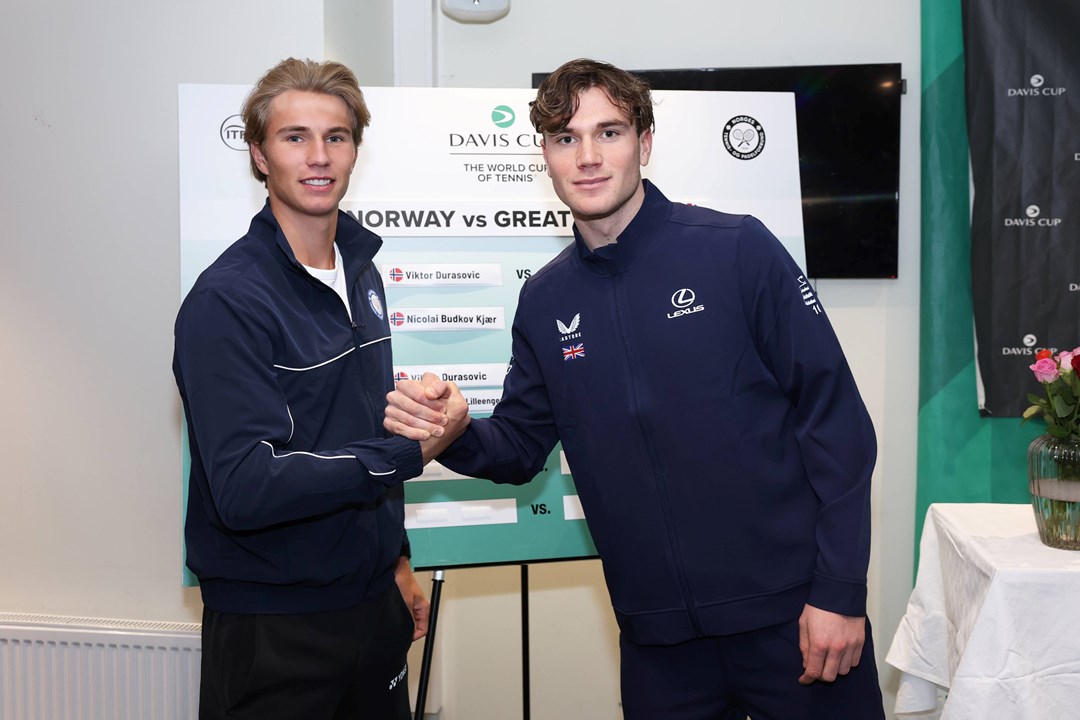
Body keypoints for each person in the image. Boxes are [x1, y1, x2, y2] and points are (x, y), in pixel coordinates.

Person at [384, 58, 885, 719]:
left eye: (609, 133)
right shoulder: (545, 299)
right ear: (547, 156)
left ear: (644, 143)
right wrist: (453, 433)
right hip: (658, 644)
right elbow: (519, 447)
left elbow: (837, 426)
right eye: (566, 138)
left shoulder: (737, 250)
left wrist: (841, 592)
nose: (588, 157)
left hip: (795, 621)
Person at [173, 58, 463, 720]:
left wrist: (397, 560)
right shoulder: (227, 301)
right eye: (294, 136)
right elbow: (246, 486)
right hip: (275, 627)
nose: (318, 155)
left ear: (356, 148)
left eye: (336, 136)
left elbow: (359, 428)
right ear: (258, 153)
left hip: (370, 604)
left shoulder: (362, 272)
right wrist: (405, 456)